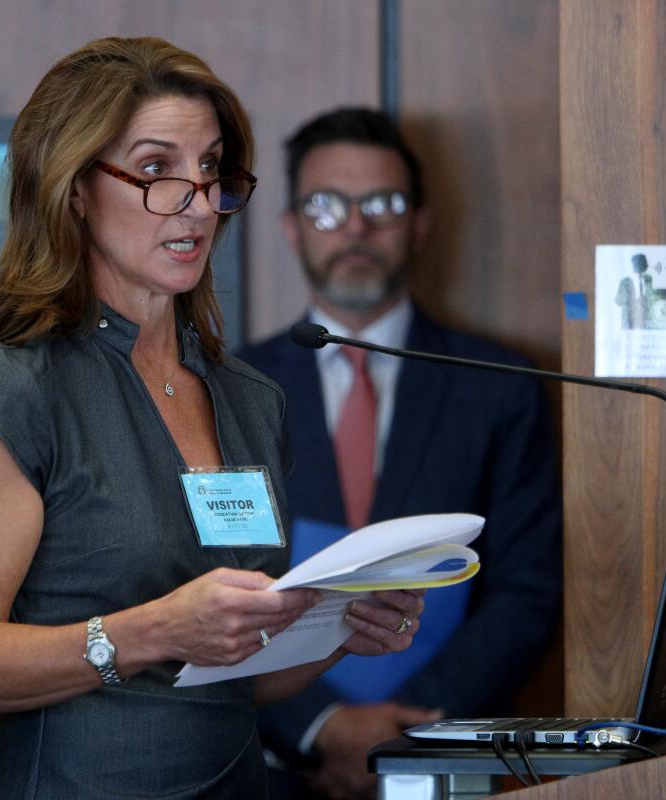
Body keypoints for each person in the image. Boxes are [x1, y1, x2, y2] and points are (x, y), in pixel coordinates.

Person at [0, 38, 426, 799]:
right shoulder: (24, 391)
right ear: (76, 188)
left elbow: (236, 674)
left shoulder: (251, 398)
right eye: (157, 169)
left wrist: (337, 632)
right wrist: (153, 630)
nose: (197, 199)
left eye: (212, 167)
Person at [238, 108, 563, 799]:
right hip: (270, 762)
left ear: (420, 222)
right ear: (291, 225)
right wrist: (322, 726)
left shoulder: (502, 386)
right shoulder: (230, 387)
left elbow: (526, 592)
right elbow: (206, 583)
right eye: (327, 206)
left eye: (382, 204)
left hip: (445, 755)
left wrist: (400, 737)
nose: (355, 227)